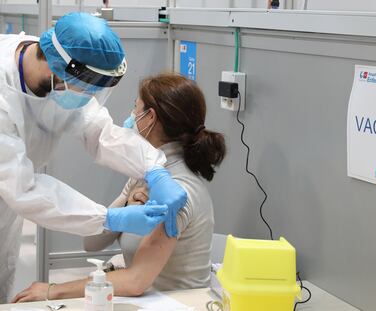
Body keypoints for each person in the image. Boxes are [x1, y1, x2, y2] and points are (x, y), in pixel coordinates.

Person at [0, 13, 187, 303]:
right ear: (58, 69)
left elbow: (99, 132)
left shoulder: (60, 72)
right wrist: (108, 218)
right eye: (85, 87)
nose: (87, 96)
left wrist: (154, 168)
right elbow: (23, 188)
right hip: (11, 188)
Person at [12, 72, 226, 301]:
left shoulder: (176, 193)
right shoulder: (147, 174)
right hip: (146, 300)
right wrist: (123, 207)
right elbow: (92, 243)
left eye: (136, 108)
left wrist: (52, 290)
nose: (132, 116)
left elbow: (135, 281)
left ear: (150, 117)